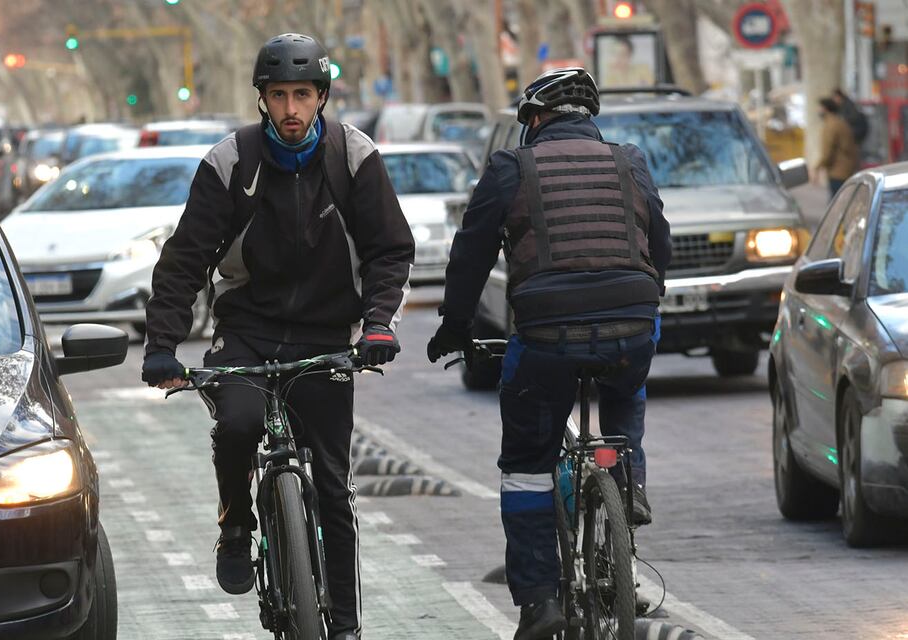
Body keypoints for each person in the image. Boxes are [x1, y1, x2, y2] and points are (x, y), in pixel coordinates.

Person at [140, 33, 415, 640]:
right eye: (279, 96)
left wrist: (376, 326)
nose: (291, 110)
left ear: (321, 97)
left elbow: (390, 251)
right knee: (237, 423)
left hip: (325, 334)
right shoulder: (229, 163)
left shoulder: (353, 156)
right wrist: (162, 345)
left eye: (303, 95)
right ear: (262, 100)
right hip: (247, 330)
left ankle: (342, 625)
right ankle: (236, 526)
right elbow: (184, 261)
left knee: (336, 489)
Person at [427, 68, 671, 640]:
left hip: (547, 335)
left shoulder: (511, 167)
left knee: (527, 466)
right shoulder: (629, 159)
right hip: (631, 324)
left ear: (534, 121)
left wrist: (455, 327)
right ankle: (627, 478)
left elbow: (471, 253)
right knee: (626, 385)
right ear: (588, 119)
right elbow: (658, 240)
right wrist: (644, 300)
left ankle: (539, 602)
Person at [816, 96, 859, 197]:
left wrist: (817, 167)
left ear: (825, 109)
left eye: (819, 107)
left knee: (837, 204)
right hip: (846, 169)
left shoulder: (831, 125)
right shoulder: (840, 122)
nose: (818, 110)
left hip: (838, 171)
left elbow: (827, 151)